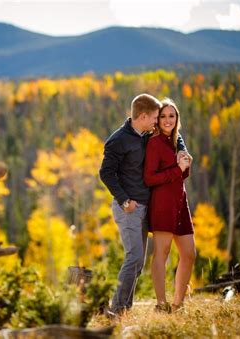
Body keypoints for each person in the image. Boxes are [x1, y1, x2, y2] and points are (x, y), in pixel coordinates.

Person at [99, 94, 188, 316]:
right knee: (134, 258)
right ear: (143, 116)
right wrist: (124, 199)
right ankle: (117, 308)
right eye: (155, 117)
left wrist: (183, 150)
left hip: (145, 208)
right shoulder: (118, 140)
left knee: (138, 264)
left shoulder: (146, 134)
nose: (157, 122)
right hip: (128, 208)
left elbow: (175, 137)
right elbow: (105, 173)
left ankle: (125, 309)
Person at [143, 98, 196, 313]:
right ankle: (161, 304)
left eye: (171, 116)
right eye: (163, 116)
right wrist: (177, 168)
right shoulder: (155, 142)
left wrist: (186, 165)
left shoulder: (176, 140)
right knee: (162, 253)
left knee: (189, 253)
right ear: (158, 120)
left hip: (180, 202)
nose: (167, 120)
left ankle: (178, 304)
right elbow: (149, 178)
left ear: (177, 119)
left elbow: (180, 174)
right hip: (163, 203)